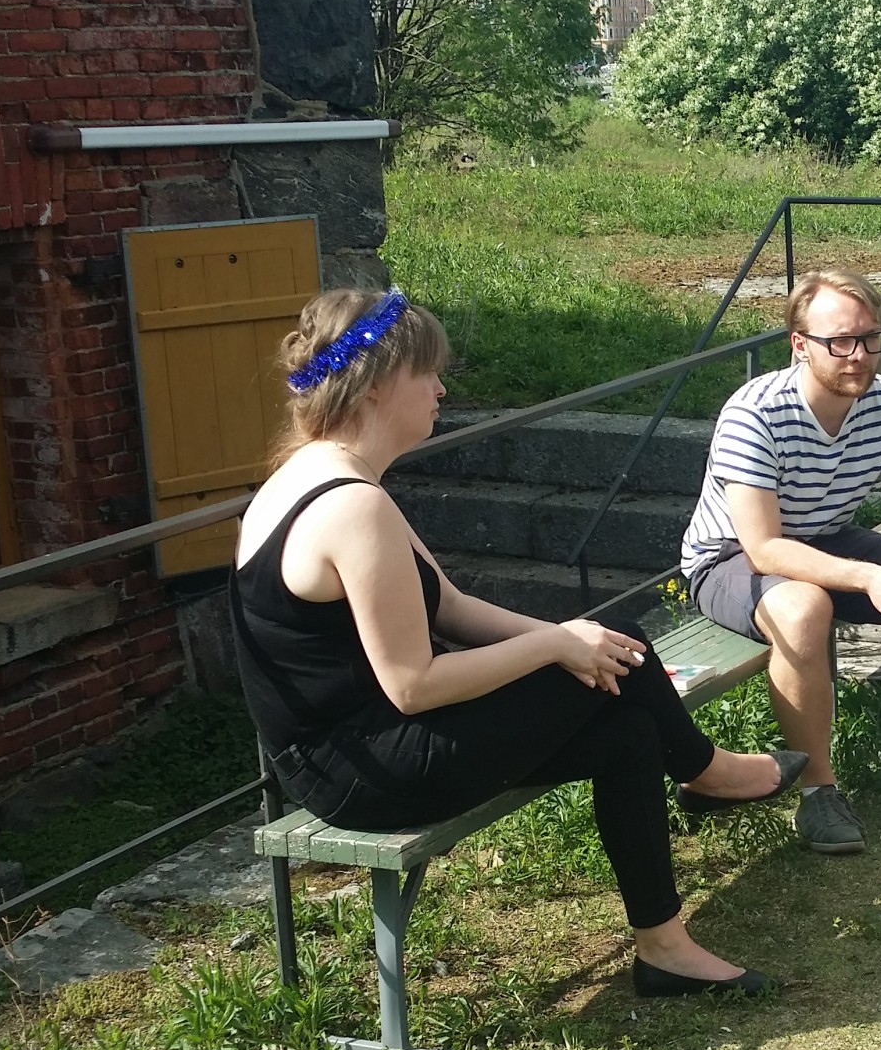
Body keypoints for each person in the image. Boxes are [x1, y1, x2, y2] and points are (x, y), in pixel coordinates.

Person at [233, 289, 808, 998]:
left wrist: (574, 642)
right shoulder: (352, 505)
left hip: (358, 750)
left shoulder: (327, 478)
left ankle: (665, 947)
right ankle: (707, 771)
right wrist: (555, 646)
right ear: (377, 385)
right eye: (428, 372)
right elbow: (411, 684)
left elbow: (453, 608)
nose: (441, 389)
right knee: (620, 645)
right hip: (365, 769)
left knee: (626, 725)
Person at [678, 268, 881, 856]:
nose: (859, 356)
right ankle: (818, 791)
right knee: (803, 608)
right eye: (840, 342)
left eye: (870, 339)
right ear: (800, 344)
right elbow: (764, 549)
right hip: (729, 557)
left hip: (826, 537)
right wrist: (871, 578)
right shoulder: (755, 412)